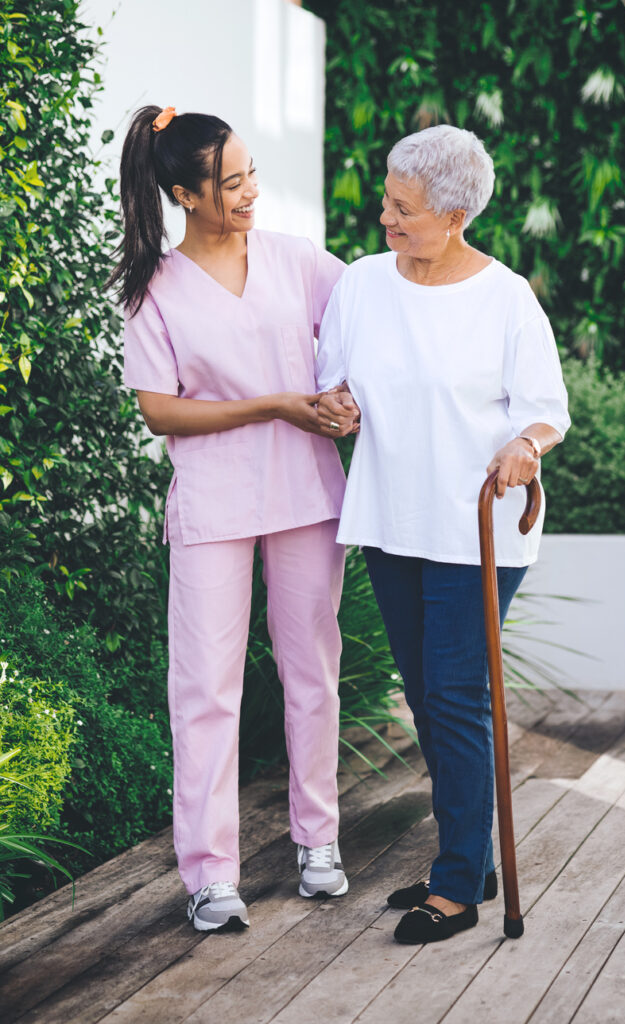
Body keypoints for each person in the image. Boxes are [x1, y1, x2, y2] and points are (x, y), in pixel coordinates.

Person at [316, 124, 570, 945]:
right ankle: (471, 855)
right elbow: (335, 382)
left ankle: (457, 883)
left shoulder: (504, 299)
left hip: (477, 525)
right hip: (395, 519)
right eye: (387, 202)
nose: (385, 220)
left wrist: (523, 446)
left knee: (455, 697)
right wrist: (337, 408)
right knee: (428, 696)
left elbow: (545, 410)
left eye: (404, 210)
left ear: (455, 214)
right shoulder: (360, 284)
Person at [110, 105, 351, 933]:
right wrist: (276, 404)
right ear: (183, 192)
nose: (250, 191)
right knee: (204, 691)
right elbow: (158, 412)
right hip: (212, 506)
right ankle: (211, 873)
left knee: (311, 675)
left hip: (306, 497)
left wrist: (342, 399)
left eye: (250, 173)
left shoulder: (301, 264)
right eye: (229, 182)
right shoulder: (157, 291)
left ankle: (318, 842)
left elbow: (355, 345)